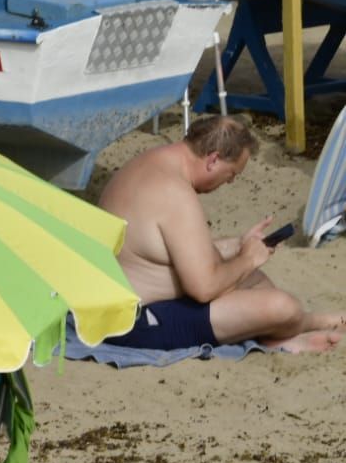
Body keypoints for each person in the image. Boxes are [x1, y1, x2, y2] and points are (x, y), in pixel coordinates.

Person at [98, 116, 344, 354]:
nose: (229, 182)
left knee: (253, 278)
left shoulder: (150, 164)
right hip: (136, 323)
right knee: (282, 307)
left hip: (109, 305)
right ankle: (309, 323)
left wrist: (239, 245)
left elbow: (171, 250)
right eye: (232, 174)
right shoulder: (175, 194)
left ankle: (277, 336)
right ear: (213, 160)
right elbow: (203, 288)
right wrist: (248, 259)